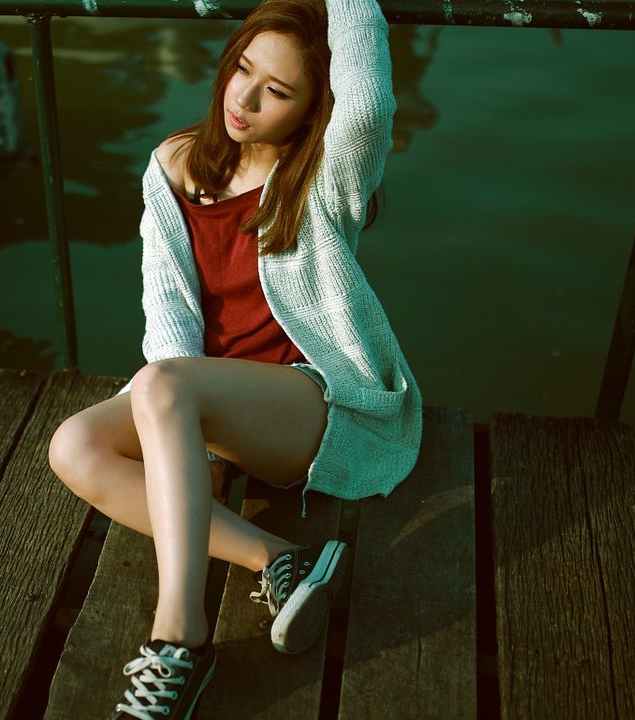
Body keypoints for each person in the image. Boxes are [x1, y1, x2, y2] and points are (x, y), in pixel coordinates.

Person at [47, 0, 420, 714]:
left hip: (308, 404)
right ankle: (275, 556)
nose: (243, 100)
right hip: (196, 401)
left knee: (163, 387)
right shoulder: (173, 164)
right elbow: (169, 314)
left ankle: (179, 640)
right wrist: (190, 444)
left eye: (276, 91)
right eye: (242, 69)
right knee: (74, 445)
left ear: (312, 110)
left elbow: (369, 107)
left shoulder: (325, 179)